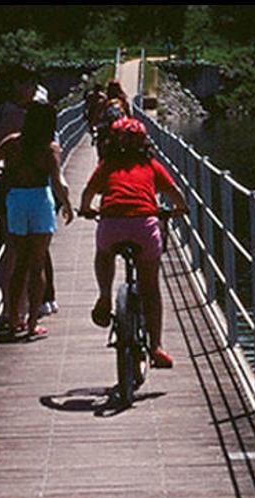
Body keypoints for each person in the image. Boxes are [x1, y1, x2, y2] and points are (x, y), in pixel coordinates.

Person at [79, 117, 187, 368]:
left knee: (104, 253)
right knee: (151, 288)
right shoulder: (151, 166)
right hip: (144, 226)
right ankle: (157, 347)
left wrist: (87, 209)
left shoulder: (107, 166)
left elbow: (87, 194)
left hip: (112, 224)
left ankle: (105, 295)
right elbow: (177, 196)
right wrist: (180, 209)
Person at [0, 102, 74, 338]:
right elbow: (56, 181)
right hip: (40, 200)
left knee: (19, 262)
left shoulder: (12, 142)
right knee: (37, 263)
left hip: (16, 200)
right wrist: (69, 206)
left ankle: (14, 319)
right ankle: (32, 323)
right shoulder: (50, 148)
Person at [0, 66, 59, 319]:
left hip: (27, 187)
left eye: (30, 83)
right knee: (21, 250)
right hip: (19, 187)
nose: (28, 88)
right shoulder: (8, 113)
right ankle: (16, 309)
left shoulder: (22, 111)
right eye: (25, 82)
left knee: (29, 250)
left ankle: (29, 306)